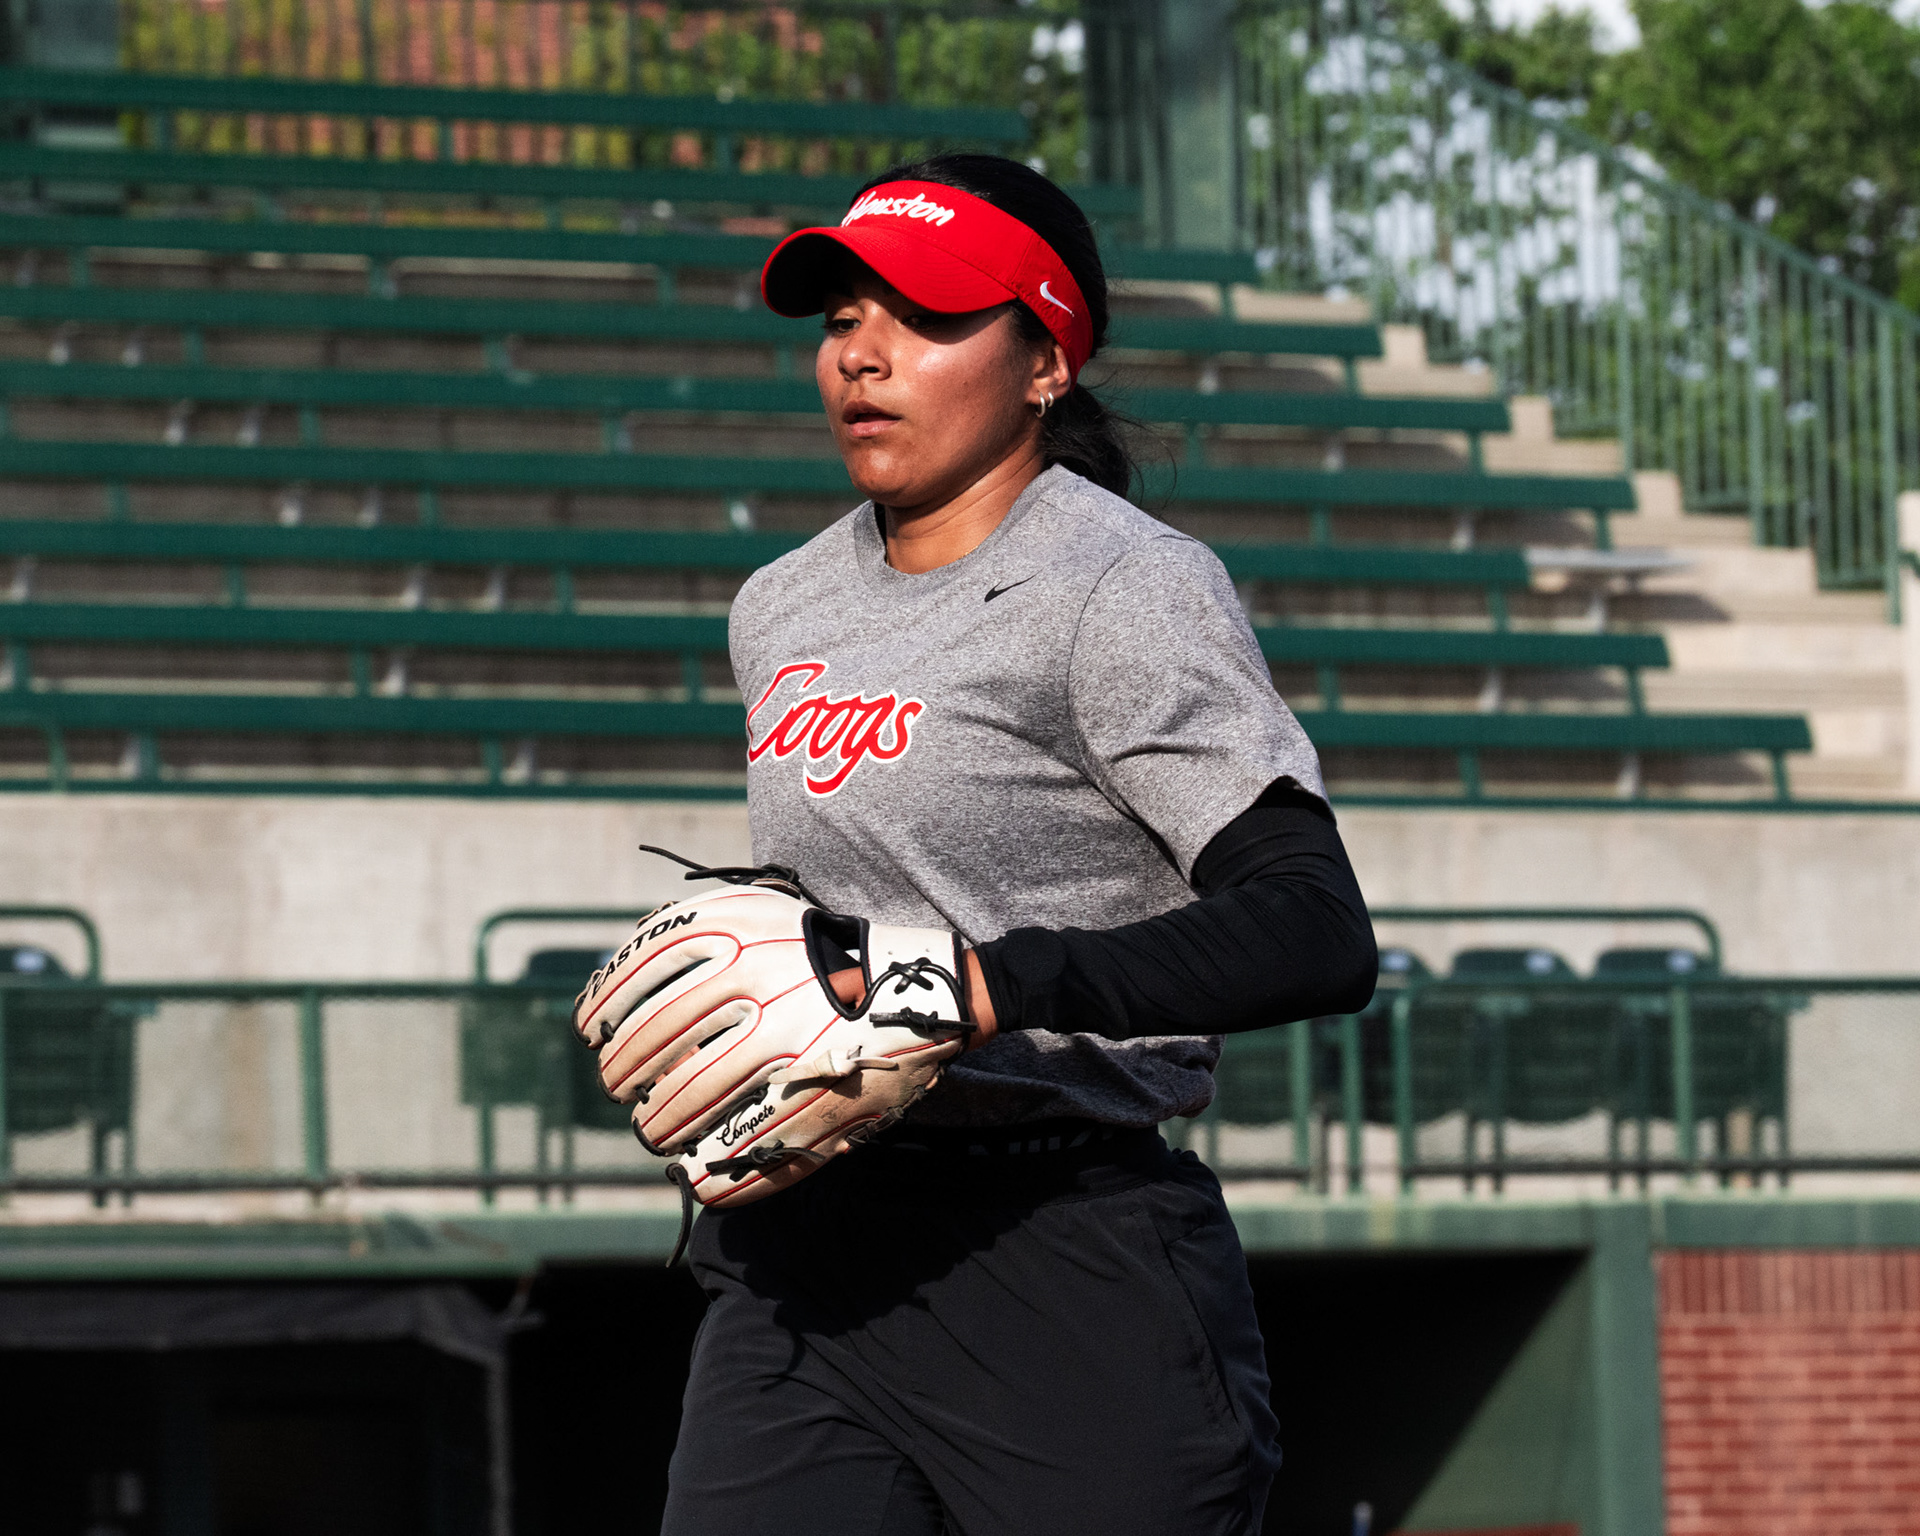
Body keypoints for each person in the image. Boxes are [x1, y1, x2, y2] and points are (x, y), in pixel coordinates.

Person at [660, 153, 1377, 1536]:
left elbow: (1313, 927)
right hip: (812, 1253)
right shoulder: (780, 603)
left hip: (1065, 1255)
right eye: (842, 318)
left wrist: (983, 983)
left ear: (1045, 360)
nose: (863, 354)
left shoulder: (1124, 585)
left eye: (925, 317)